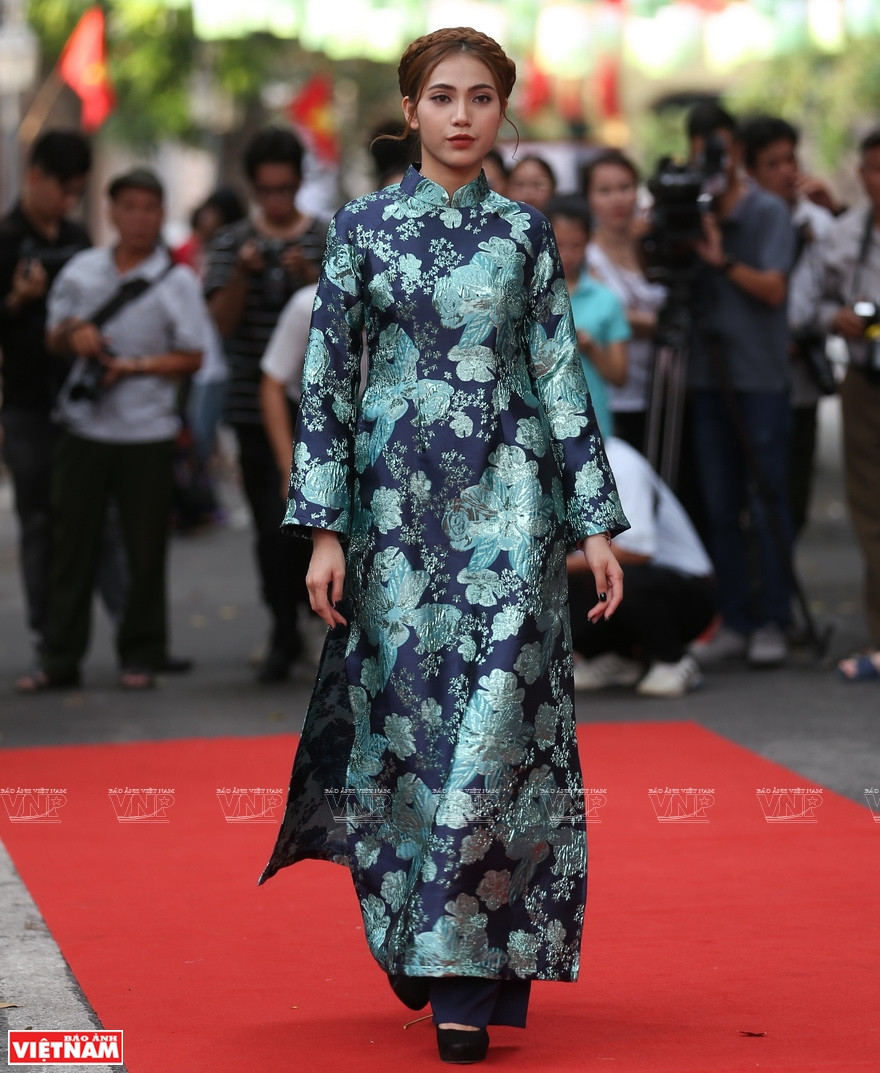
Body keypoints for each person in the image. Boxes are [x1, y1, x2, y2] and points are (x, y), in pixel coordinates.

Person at [258, 26, 627, 1065]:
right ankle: (419, 926)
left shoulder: (524, 236)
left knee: (499, 729)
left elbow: (558, 376)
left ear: (502, 113)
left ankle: (465, 974)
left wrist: (593, 520)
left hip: (514, 501)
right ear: (411, 110)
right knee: (411, 729)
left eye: (480, 98)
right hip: (393, 514)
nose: (462, 115)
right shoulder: (361, 231)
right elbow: (324, 387)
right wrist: (324, 530)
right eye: (442, 97)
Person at [15, 168, 207, 692]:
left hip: (147, 432)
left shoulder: (178, 281)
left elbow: (194, 356)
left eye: (150, 208)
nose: (140, 217)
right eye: (130, 207)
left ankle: (142, 653)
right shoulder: (82, 271)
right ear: (112, 212)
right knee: (70, 545)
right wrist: (74, 334)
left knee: (145, 548)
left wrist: (137, 367)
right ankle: (59, 658)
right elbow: (53, 337)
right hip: (83, 428)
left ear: (161, 216)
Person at [204, 128, 326, 683]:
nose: (276, 200)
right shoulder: (231, 244)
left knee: (323, 521)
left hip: (324, 408)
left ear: (299, 182)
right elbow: (217, 326)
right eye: (266, 190)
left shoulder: (328, 238)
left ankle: (315, 613)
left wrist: (312, 278)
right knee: (269, 526)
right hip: (254, 408)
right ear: (253, 189)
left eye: (285, 187)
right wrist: (244, 278)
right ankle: (281, 626)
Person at [683, 102, 796, 669]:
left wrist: (721, 259)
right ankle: (736, 616)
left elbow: (773, 289)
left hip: (759, 380)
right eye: (706, 150)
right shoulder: (687, 209)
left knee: (767, 499)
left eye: (723, 149)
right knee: (721, 506)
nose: (715, 161)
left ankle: (774, 618)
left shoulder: (769, 212)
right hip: (705, 379)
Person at [739, 115, 836, 543]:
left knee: (793, 485)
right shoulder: (742, 221)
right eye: (772, 164)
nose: (786, 172)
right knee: (749, 487)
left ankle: (779, 587)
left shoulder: (817, 221)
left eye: (790, 160)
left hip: (800, 379)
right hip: (753, 373)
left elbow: (834, 292)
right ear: (752, 171)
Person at [569, 436, 716, 697]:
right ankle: (615, 656)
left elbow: (639, 551)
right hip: (615, 583)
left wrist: (560, 563)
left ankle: (673, 660)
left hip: (687, 590)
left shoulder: (619, 462)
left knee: (627, 577)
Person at [818, 128, 880, 682]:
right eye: (877, 169)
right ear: (862, 174)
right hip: (866, 378)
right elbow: (809, 302)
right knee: (870, 511)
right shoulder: (845, 234)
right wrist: (833, 318)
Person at [581, 149, 666, 452]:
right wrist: (663, 324)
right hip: (615, 394)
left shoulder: (655, 246)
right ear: (588, 198)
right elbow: (607, 315)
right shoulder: (586, 256)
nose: (617, 199)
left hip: (664, 390)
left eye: (625, 187)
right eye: (604, 190)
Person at [544, 194, 629, 439]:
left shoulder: (605, 299)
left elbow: (619, 375)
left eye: (577, 245)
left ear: (589, 242)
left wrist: (591, 348)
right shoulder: (527, 294)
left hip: (591, 424)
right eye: (559, 244)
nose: (568, 254)